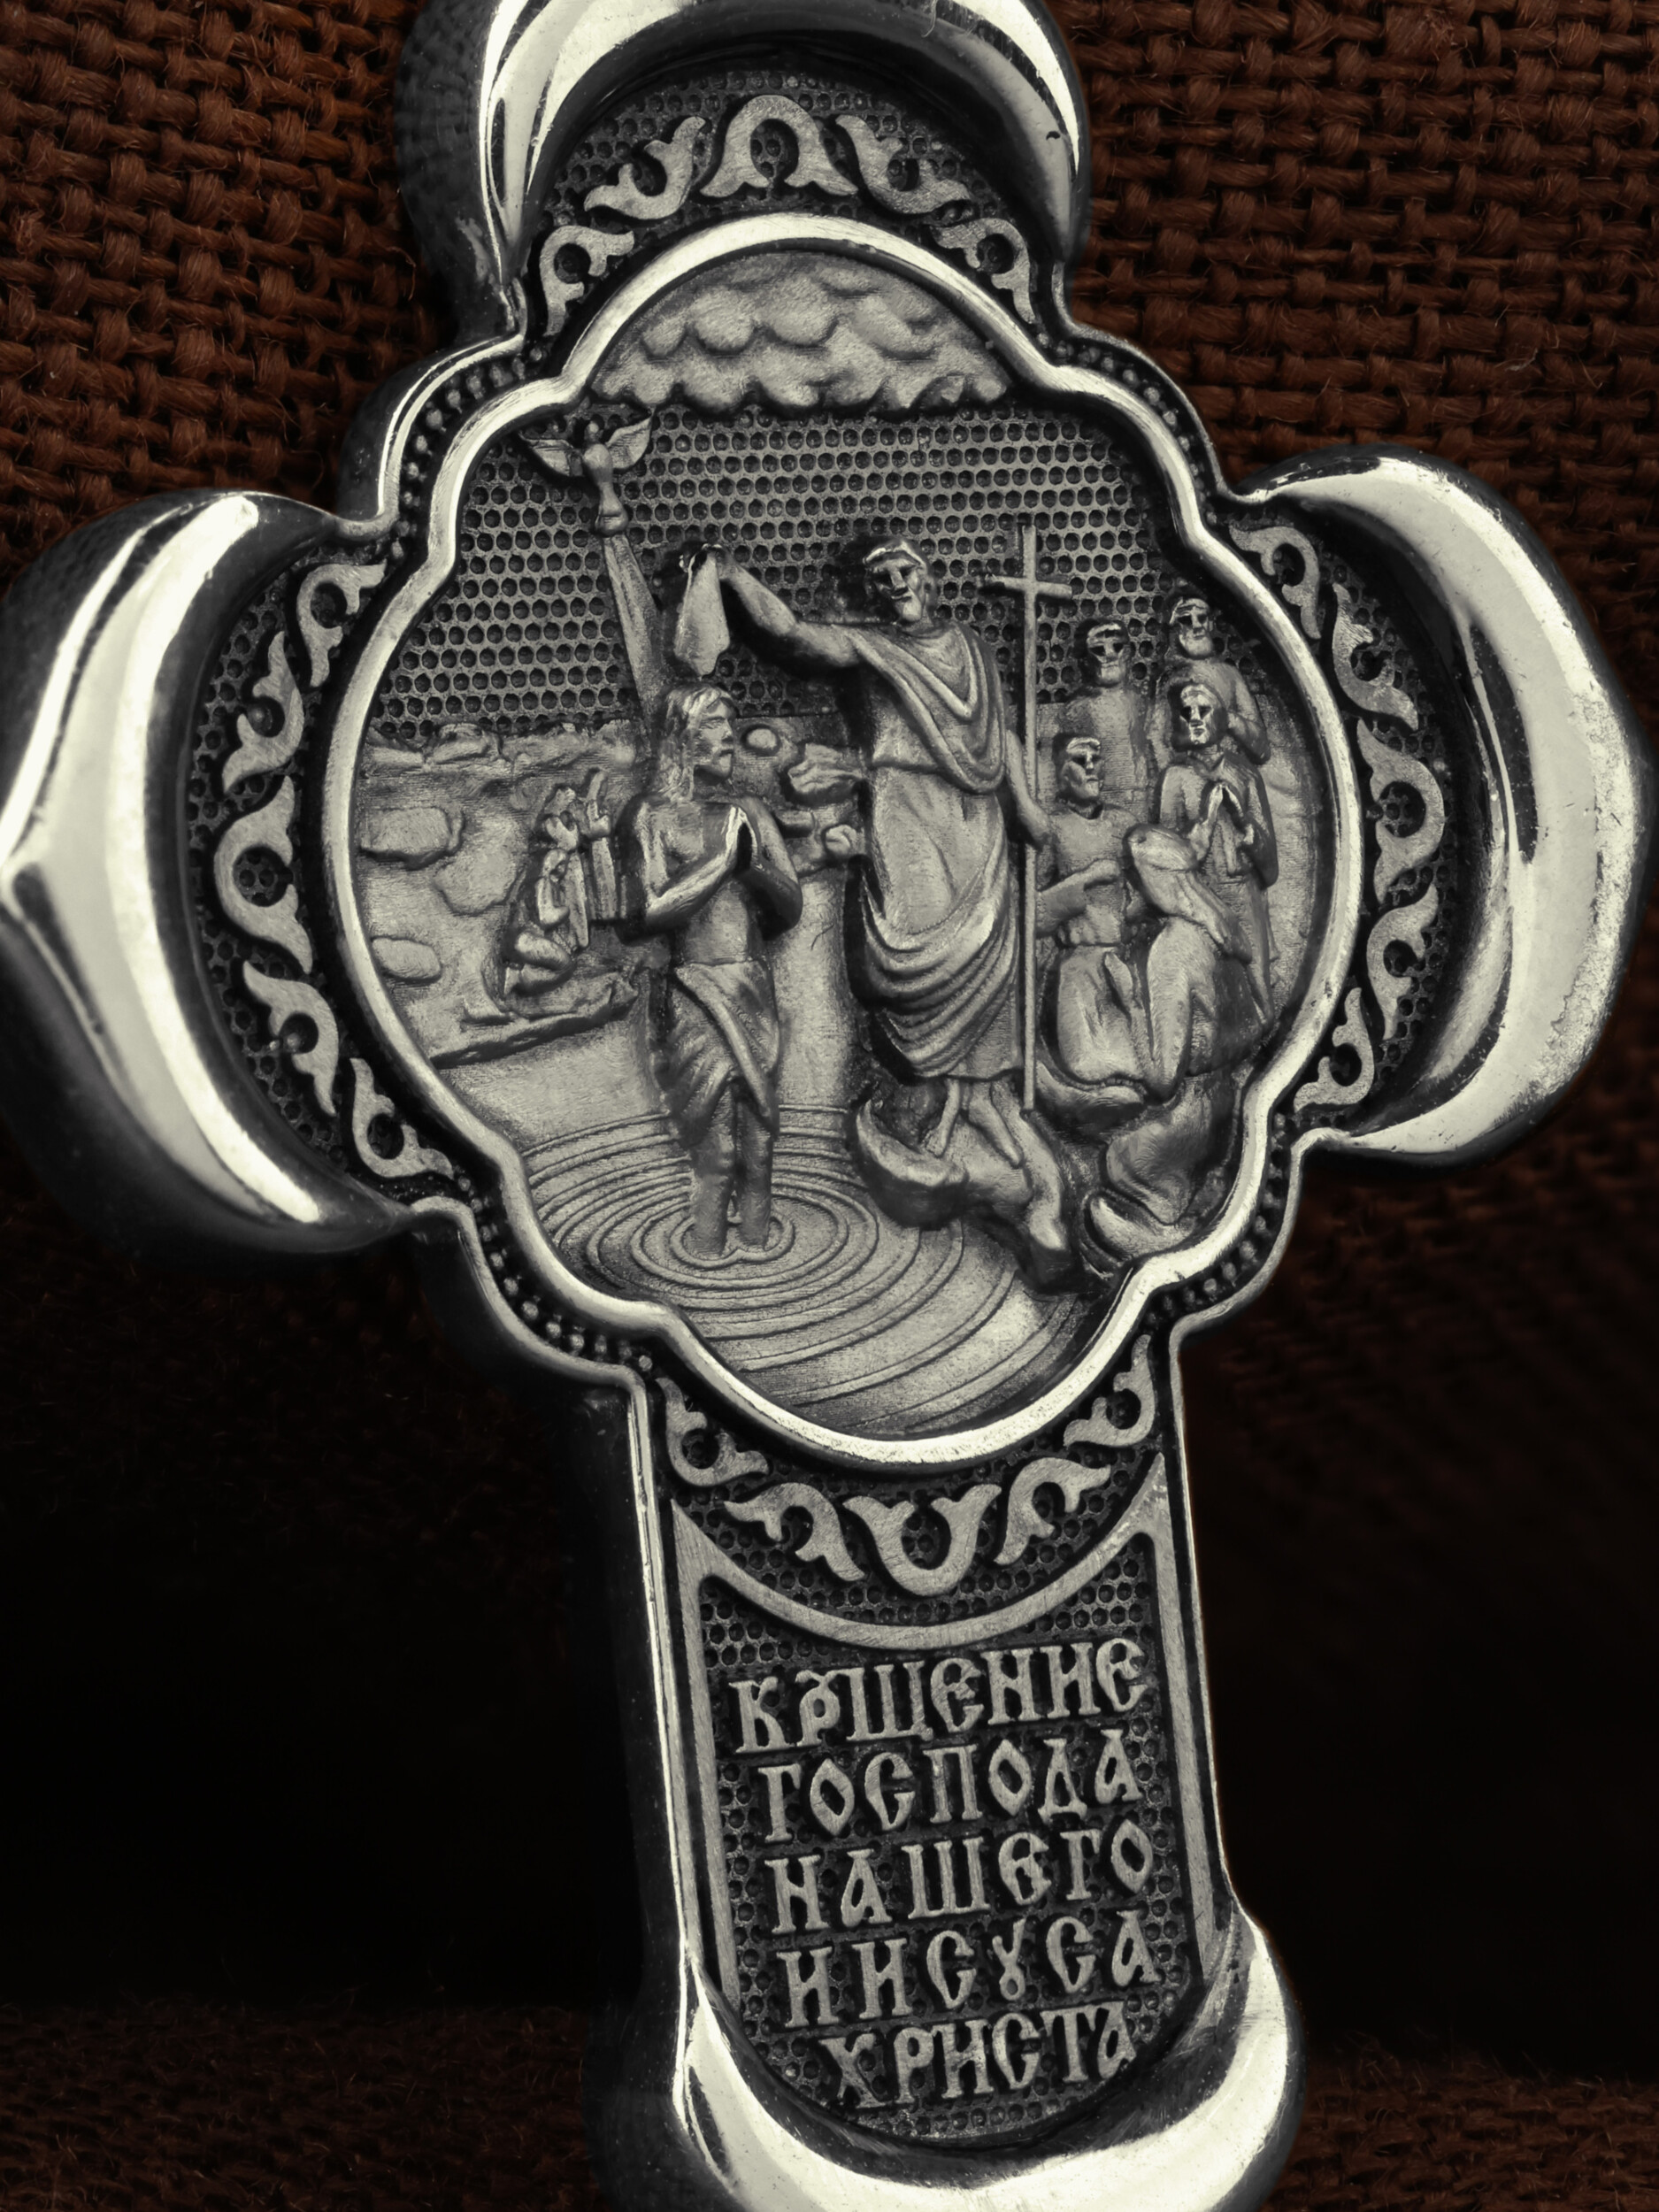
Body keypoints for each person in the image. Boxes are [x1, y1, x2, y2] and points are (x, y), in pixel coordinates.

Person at [715, 530, 1051, 1179]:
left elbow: (1001, 732)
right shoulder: (873, 647)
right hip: (903, 809)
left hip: (974, 812)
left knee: (987, 948)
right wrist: (734, 576)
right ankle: (934, 1095)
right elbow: (790, 634)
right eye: (882, 578)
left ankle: (979, 1100)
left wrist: (1025, 803)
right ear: (869, 593)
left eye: (905, 571)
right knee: (909, 947)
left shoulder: (972, 648)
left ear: (927, 578)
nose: (897, 585)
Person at [619, 683, 802, 1258]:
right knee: (717, 1152)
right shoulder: (649, 816)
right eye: (715, 724)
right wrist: (721, 862)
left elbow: (791, 906)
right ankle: (704, 1260)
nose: (729, 737)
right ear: (681, 736)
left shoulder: (749, 813)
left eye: (730, 723)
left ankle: (759, 1260)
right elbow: (645, 912)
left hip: (752, 988)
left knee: (761, 1147)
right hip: (695, 992)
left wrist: (753, 867)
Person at [1149, 595, 1270, 765]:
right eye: (1186, 620)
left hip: (1232, 769)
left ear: (1211, 624)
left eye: (1201, 618)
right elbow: (1158, 738)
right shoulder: (1170, 680)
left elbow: (1262, 748)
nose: (1197, 626)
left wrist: (1229, 720)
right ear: (1175, 629)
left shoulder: (1230, 675)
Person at [1056, 616, 1155, 817]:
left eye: (1117, 646)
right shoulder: (1079, 707)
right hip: (1105, 802)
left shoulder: (1141, 701)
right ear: (1085, 660)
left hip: (1144, 797)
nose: (1110, 655)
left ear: (1128, 653)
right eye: (1099, 649)